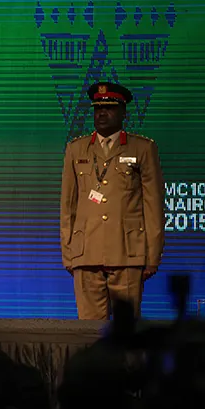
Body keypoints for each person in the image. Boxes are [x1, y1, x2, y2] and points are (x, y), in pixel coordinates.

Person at [60, 82, 164, 320]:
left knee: (126, 333)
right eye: (97, 109)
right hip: (86, 252)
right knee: (88, 331)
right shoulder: (76, 149)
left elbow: (153, 205)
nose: (102, 114)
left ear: (123, 113)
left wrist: (152, 255)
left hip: (127, 251)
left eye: (109, 108)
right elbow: (68, 205)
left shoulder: (143, 148)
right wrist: (69, 252)